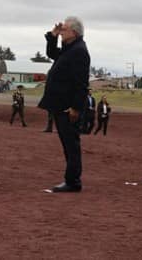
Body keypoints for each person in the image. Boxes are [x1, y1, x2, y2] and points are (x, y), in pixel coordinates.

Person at [39, 16, 90, 193]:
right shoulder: (70, 49)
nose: (61, 32)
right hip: (61, 104)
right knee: (67, 143)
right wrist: (52, 35)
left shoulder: (79, 51)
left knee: (71, 144)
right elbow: (52, 53)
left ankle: (73, 181)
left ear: (74, 32)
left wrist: (76, 107)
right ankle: (71, 179)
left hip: (68, 107)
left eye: (64, 30)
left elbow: (81, 83)